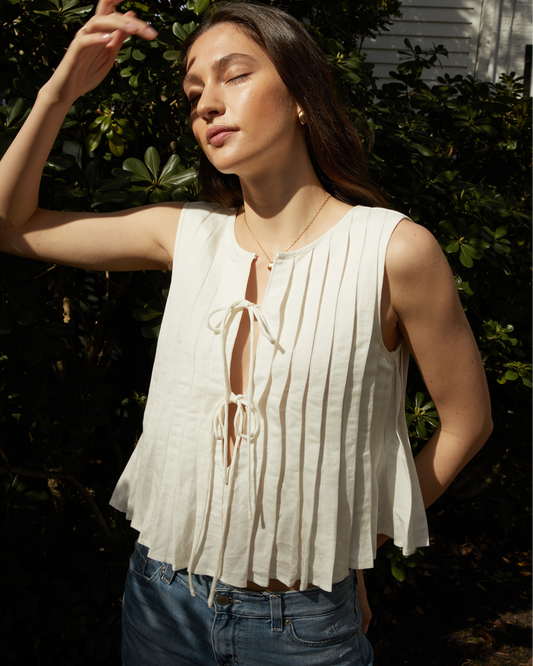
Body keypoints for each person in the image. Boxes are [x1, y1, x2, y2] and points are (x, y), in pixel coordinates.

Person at [0, 1, 493, 664]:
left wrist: (355, 545)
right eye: (193, 92)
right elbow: (11, 224)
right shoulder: (182, 234)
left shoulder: (394, 252)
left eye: (233, 76)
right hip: (160, 603)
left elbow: (467, 422)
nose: (207, 103)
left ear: (300, 96)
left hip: (303, 626)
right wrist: (58, 93)